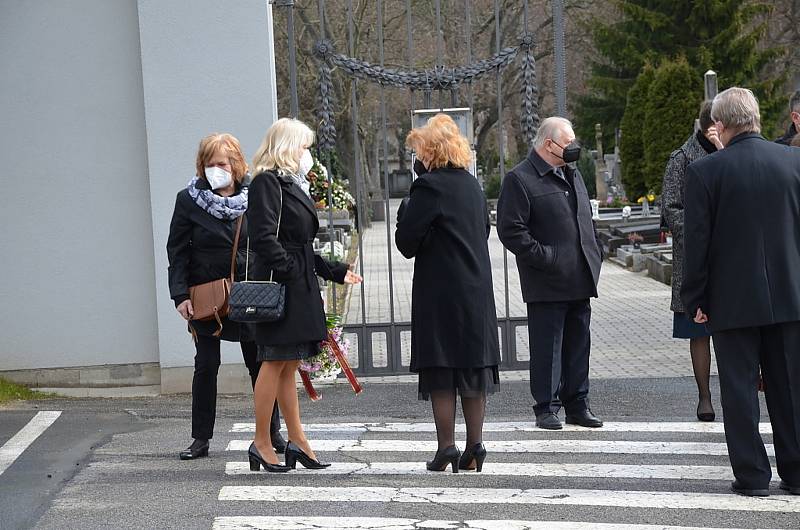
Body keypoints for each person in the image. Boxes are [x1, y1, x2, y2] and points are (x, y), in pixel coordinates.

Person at [682, 87, 800, 497]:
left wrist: (693, 299)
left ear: (722, 125)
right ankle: (797, 471)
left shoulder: (705, 172)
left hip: (731, 300)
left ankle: (752, 475)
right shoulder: (794, 162)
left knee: (738, 389)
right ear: (757, 118)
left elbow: (697, 242)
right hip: (791, 295)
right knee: (790, 387)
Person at [246, 118, 362, 472]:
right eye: (304, 146)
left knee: (288, 364)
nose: (307, 153)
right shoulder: (267, 183)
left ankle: (297, 440)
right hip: (285, 288)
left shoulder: (291, 184)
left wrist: (336, 271)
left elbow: (301, 245)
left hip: (299, 286)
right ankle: (262, 441)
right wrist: (292, 271)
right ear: (286, 147)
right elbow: (264, 238)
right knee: (274, 360)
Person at [167, 133, 284, 460]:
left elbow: (269, 240)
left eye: (222, 163)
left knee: (258, 364)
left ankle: (271, 432)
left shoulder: (256, 196)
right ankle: (200, 439)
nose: (216, 169)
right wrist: (180, 295)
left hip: (247, 292)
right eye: (209, 164)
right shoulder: (188, 200)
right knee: (206, 365)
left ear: (236, 163)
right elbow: (177, 252)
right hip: (205, 297)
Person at [395, 114, 501, 473]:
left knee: (442, 368)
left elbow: (407, 242)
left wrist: (405, 212)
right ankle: (475, 447)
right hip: (476, 289)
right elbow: (483, 231)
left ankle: (446, 448)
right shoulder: (472, 187)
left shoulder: (428, 187)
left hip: (441, 291)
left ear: (429, 151)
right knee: (472, 367)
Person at [496, 117, 603, 431]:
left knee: (578, 344)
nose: (573, 148)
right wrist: (547, 257)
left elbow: (585, 216)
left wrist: (595, 250)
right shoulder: (520, 178)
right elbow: (510, 230)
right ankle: (546, 407)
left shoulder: (572, 173)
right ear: (548, 145)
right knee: (548, 347)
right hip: (547, 279)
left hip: (580, 276)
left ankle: (578, 404)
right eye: (568, 143)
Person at [660, 101, 724, 422]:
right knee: (698, 331)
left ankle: (732, 390)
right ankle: (704, 396)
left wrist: (722, 148)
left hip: (729, 259)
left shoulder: (728, 152)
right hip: (694, 258)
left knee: (729, 328)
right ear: (705, 126)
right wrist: (703, 232)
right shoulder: (681, 159)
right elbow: (671, 209)